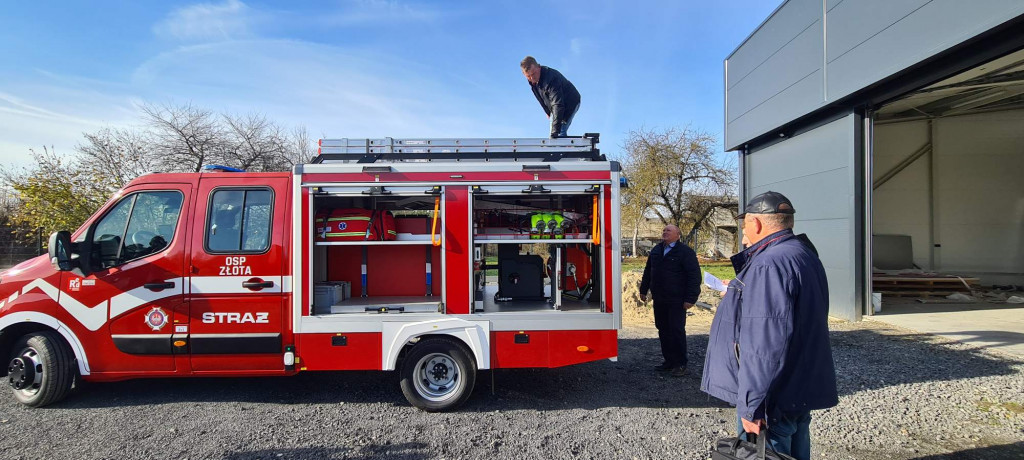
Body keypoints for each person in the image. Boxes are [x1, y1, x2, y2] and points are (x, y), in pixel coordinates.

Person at [700, 191, 838, 460]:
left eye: (745, 225)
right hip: (797, 384)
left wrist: (752, 406)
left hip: (772, 396)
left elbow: (763, 343)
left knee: (768, 451)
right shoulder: (802, 254)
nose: (744, 232)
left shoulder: (768, 264)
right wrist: (741, 291)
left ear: (758, 224)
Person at [639, 225, 701, 377]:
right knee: (663, 329)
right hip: (659, 298)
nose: (665, 232)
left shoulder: (685, 252)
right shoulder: (656, 250)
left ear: (678, 235)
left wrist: (690, 299)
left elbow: (694, 277)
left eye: (669, 231)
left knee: (676, 330)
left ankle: (680, 364)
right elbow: (648, 271)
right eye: (664, 230)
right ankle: (669, 361)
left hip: (677, 300)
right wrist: (643, 289)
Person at [520, 56, 581, 138]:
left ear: (539, 67)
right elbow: (540, 97)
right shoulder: (532, 80)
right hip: (556, 105)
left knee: (559, 132)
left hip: (569, 102)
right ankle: (564, 147)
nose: (532, 78)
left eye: (534, 73)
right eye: (528, 76)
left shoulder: (551, 79)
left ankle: (564, 148)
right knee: (554, 135)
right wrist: (547, 112)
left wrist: (555, 131)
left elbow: (558, 104)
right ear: (524, 74)